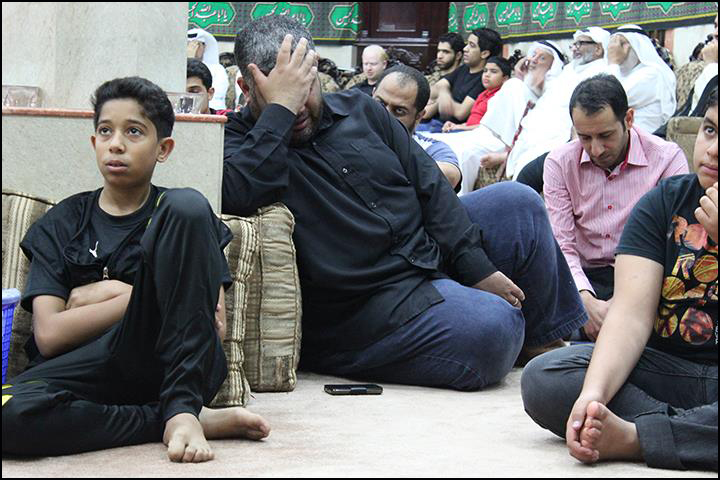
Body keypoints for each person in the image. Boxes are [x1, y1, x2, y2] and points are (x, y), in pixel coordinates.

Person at [224, 16, 588, 392]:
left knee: (518, 202)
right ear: (246, 89)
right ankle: (494, 329)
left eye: (304, 88)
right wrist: (279, 113)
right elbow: (239, 191)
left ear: (315, 71)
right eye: (282, 96)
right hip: (373, 307)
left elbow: (431, 187)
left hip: (428, 253)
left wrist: (475, 267)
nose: (299, 107)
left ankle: (544, 347)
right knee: (495, 326)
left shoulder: (360, 109)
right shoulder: (237, 145)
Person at [1, 77, 270, 462]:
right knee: (7, 414)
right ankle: (172, 416)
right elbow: (50, 335)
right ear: (94, 142)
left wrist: (117, 293)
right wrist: (138, 297)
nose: (116, 143)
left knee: (189, 202)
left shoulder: (185, 219)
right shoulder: (62, 223)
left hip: (169, 364)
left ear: (163, 149)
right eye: (105, 131)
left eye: (134, 131)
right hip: (86, 372)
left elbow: (212, 325)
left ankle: (181, 405)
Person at [521, 87, 718, 472]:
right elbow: (630, 317)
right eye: (710, 130)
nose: (712, 150)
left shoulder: (662, 158)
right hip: (665, 369)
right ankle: (694, 431)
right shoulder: (663, 202)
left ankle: (638, 437)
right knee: (546, 379)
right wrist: (592, 397)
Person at [544, 74, 689, 341]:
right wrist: (585, 300)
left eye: (606, 135)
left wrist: (624, 304)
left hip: (646, 277)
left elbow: (676, 243)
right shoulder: (559, 163)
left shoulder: (667, 159)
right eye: (584, 137)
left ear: (629, 119)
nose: (596, 149)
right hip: (582, 278)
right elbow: (562, 244)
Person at [373, 64, 462, 190]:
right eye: (380, 103)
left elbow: (450, 176)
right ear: (372, 95)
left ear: (418, 117)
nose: (385, 115)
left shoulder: (429, 147)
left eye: (399, 111)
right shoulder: (348, 129)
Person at [419, 28, 503, 132]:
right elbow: (438, 86)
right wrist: (444, 94)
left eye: (472, 45)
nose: (465, 49)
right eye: (467, 44)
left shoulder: (485, 79)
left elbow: (460, 113)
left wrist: (442, 99)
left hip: (452, 128)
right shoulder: (464, 68)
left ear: (484, 53)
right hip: (435, 122)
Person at [605, 25, 676, 133]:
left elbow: (609, 99)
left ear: (637, 46)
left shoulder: (652, 74)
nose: (616, 49)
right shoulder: (619, 73)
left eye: (622, 43)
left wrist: (613, 61)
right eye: (613, 45)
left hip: (643, 137)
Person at [441, 56, 510, 132]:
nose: (487, 74)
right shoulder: (482, 94)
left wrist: (460, 128)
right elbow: (473, 122)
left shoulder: (501, 97)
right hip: (468, 132)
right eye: (485, 71)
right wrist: (455, 126)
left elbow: (490, 127)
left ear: (505, 78)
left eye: (493, 71)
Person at [187, 28, 230, 112]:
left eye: (197, 44)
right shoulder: (179, 69)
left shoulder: (218, 69)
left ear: (204, 46)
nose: (193, 48)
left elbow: (217, 99)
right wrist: (189, 59)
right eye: (189, 44)